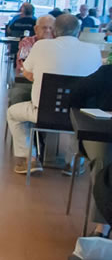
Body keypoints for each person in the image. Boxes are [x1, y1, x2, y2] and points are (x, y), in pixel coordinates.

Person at [6, 14, 102, 175]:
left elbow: (27, 73)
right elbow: (95, 81)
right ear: (79, 32)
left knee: (13, 113)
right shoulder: (93, 50)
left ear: (55, 31)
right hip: (78, 116)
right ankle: (73, 163)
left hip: (43, 111)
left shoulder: (41, 46)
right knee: (76, 111)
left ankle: (30, 158)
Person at [69, 64, 112, 236]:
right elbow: (75, 94)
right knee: (104, 160)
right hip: (100, 134)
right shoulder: (107, 72)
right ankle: (102, 227)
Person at [8, 15, 55, 106]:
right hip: (28, 82)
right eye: (44, 28)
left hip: (51, 85)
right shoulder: (27, 42)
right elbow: (23, 66)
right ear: (36, 29)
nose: (48, 31)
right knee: (17, 95)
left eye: (51, 28)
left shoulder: (58, 44)